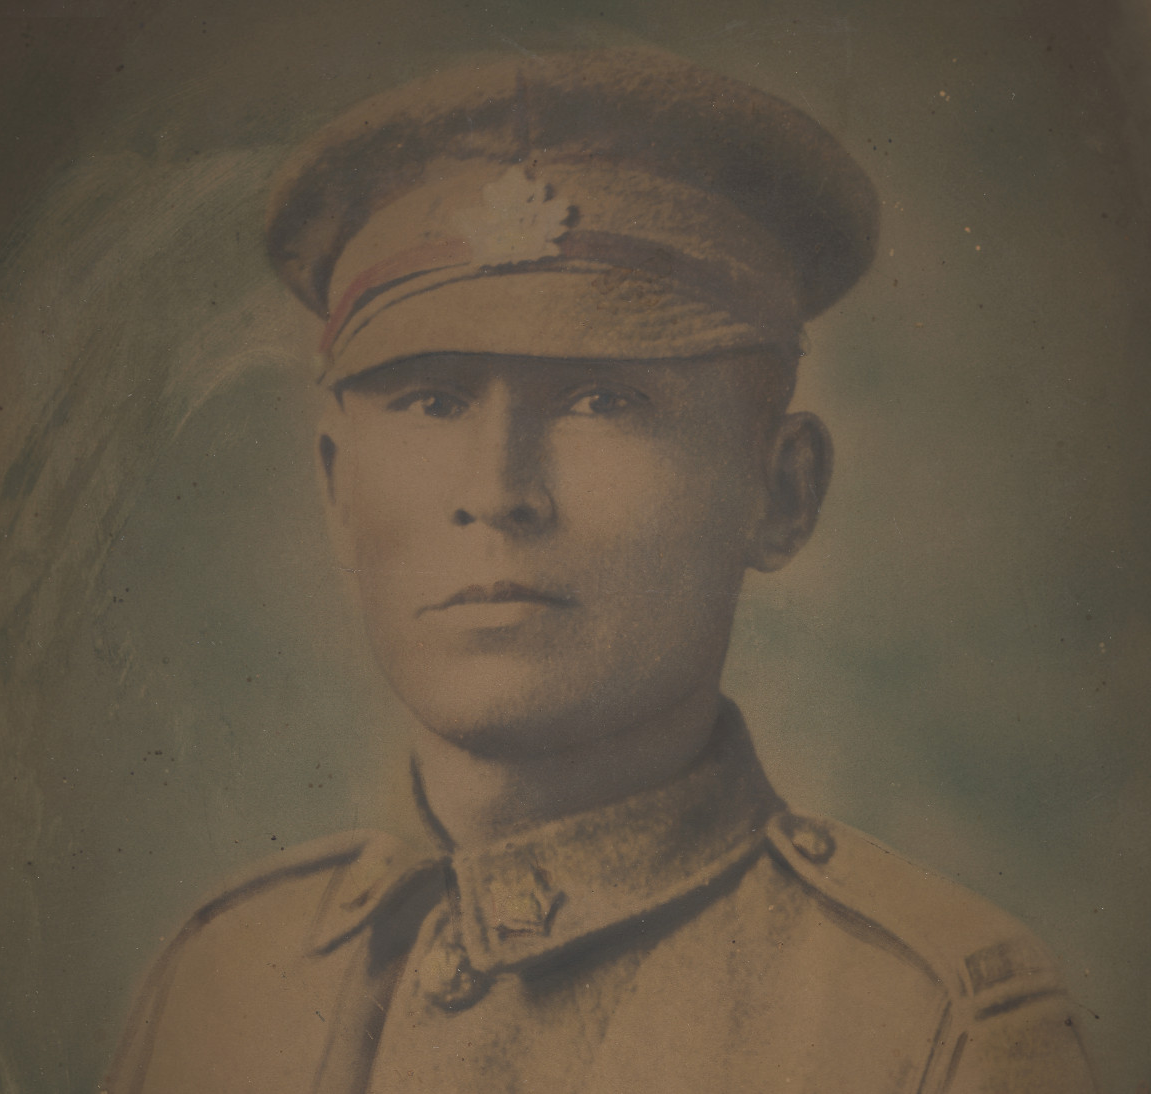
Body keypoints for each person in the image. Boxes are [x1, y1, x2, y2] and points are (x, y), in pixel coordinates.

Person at [105, 48, 1096, 1093]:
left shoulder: (928, 1023)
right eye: (434, 398)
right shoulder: (223, 975)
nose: (498, 489)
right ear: (337, 491)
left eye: (602, 399)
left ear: (782, 492)